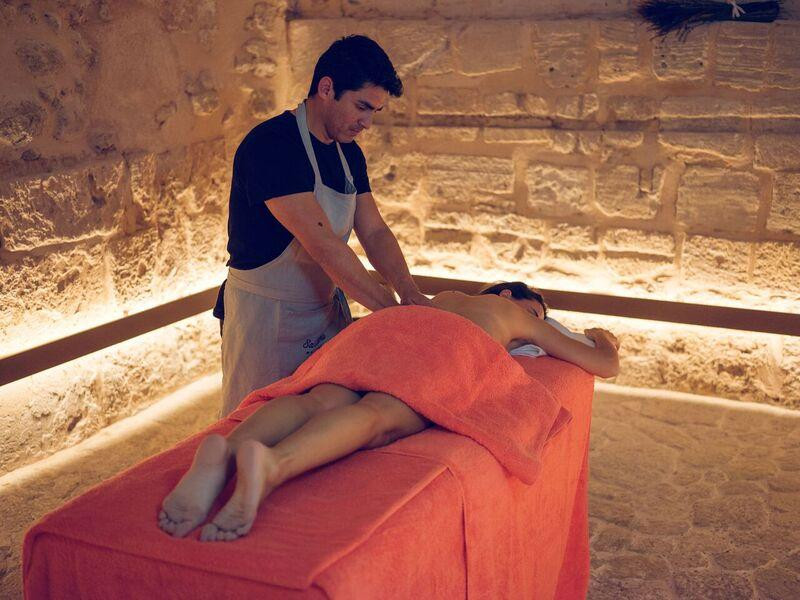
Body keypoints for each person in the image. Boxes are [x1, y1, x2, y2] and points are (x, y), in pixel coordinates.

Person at [159, 282, 620, 541]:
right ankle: (273, 465)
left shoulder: (445, 297)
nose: (534, 322)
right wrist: (603, 338)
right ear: (506, 296)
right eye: (535, 313)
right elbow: (602, 364)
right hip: (446, 346)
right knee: (380, 416)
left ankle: (226, 451)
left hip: (387, 329)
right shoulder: (511, 316)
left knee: (317, 399)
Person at [214, 35, 431, 417]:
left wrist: (409, 291)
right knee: (256, 425)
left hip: (324, 312)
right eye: (362, 107)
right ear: (327, 88)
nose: (367, 123)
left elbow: (375, 231)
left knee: (321, 423)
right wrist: (391, 313)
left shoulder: (349, 154)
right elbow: (325, 247)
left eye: (375, 111)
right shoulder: (273, 145)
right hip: (267, 319)